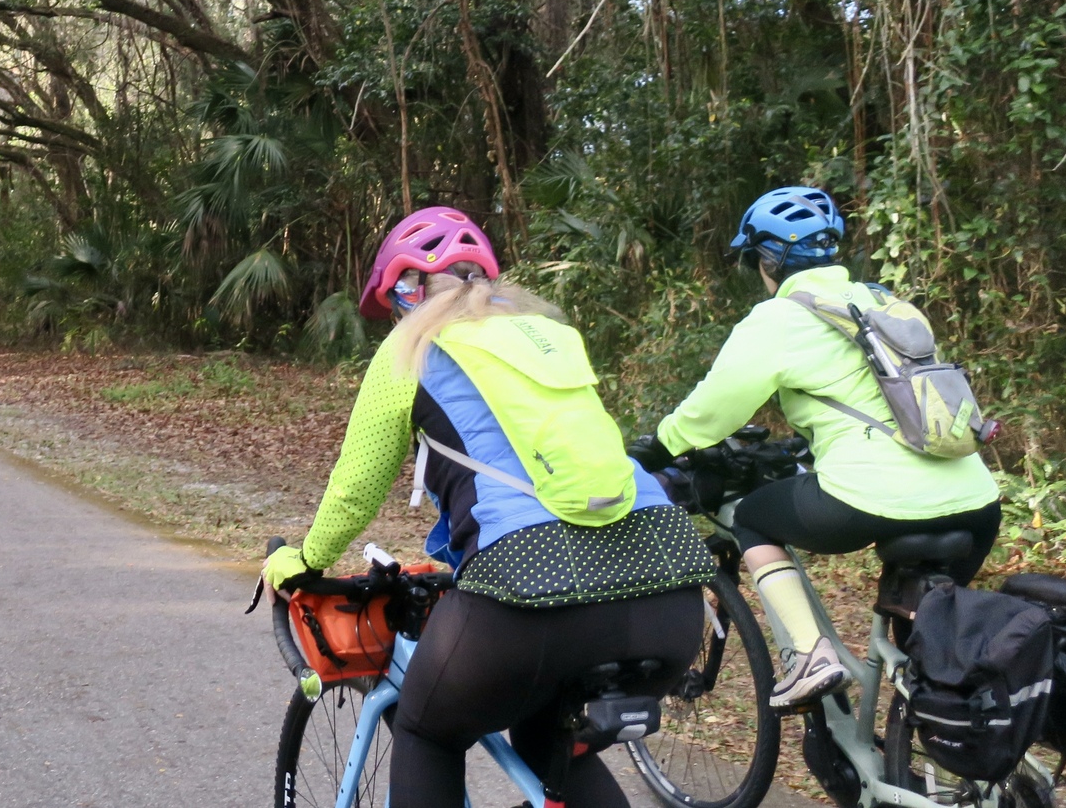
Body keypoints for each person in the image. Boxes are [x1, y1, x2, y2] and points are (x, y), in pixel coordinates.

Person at [263, 206, 717, 808]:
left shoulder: (411, 346)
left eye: (398, 298)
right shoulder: (549, 337)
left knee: (428, 731)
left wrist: (304, 559)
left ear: (411, 289)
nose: (398, 314)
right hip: (670, 593)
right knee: (551, 744)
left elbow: (356, 484)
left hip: (532, 594)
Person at [628, 186, 1003, 711]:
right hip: (977, 498)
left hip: (874, 502)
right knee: (927, 657)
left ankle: (809, 656)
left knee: (754, 520)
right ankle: (938, 753)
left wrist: (656, 450)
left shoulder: (779, 319)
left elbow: (711, 413)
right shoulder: (885, 301)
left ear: (766, 260)